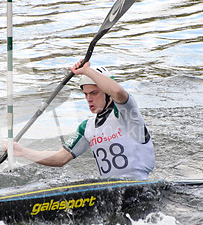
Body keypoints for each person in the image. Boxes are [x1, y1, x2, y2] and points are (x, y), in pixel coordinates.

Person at [9, 59, 155, 180]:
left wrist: (86, 71)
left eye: (94, 93)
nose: (89, 99)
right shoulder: (87, 127)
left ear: (107, 94)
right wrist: (23, 152)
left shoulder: (127, 114)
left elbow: (117, 91)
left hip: (140, 186)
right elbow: (61, 158)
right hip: (110, 191)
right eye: (85, 94)